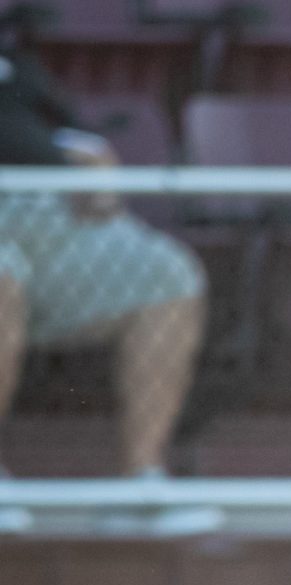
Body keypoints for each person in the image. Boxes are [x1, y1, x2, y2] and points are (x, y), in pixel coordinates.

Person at [0, 47, 208, 524]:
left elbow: (83, 140)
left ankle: (141, 481)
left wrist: (98, 168)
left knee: (166, 272)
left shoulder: (18, 68)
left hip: (56, 216)